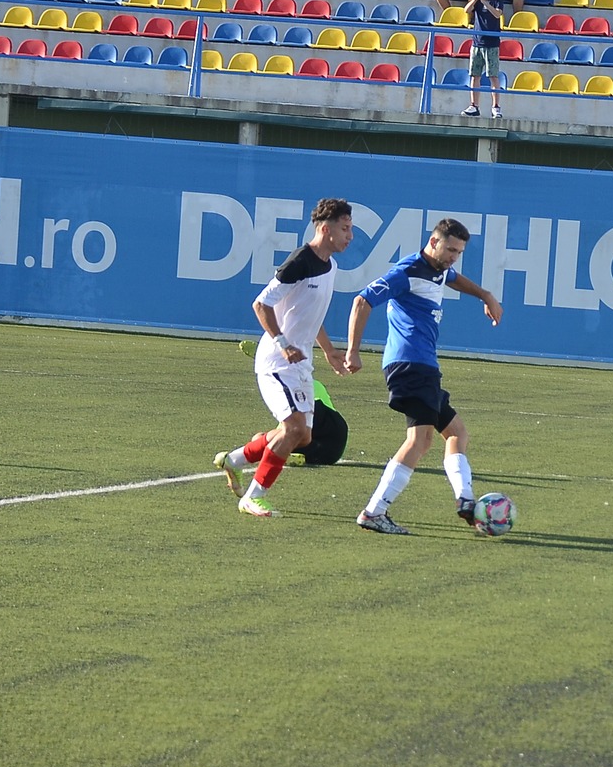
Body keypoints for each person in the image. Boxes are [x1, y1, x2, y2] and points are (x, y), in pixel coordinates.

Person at [345, 217, 503, 535]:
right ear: (433, 242)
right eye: (450, 249)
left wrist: (485, 295)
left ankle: (466, 502)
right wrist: (352, 351)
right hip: (410, 365)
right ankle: (374, 512)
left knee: (457, 433)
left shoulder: (439, 270)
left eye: (458, 252)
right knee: (420, 440)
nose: (453, 257)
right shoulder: (408, 271)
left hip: (424, 368)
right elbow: (362, 300)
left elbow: (454, 278)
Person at [215, 197, 356, 518]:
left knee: (303, 435)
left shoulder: (330, 266)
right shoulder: (299, 262)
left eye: (351, 229)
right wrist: (280, 342)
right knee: (293, 429)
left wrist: (330, 350)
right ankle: (253, 496)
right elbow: (261, 305)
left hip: (301, 362)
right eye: (345, 229)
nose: (350, 236)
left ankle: (234, 460)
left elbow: (311, 316)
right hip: (277, 361)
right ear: (325, 228)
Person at [462, 0, 506, 119]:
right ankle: (474, 105)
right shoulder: (477, 2)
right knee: (475, 75)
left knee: (493, 76)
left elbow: (497, 14)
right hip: (477, 43)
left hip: (492, 44)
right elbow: (466, 10)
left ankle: (496, 107)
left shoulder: (497, 1)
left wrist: (487, 3)